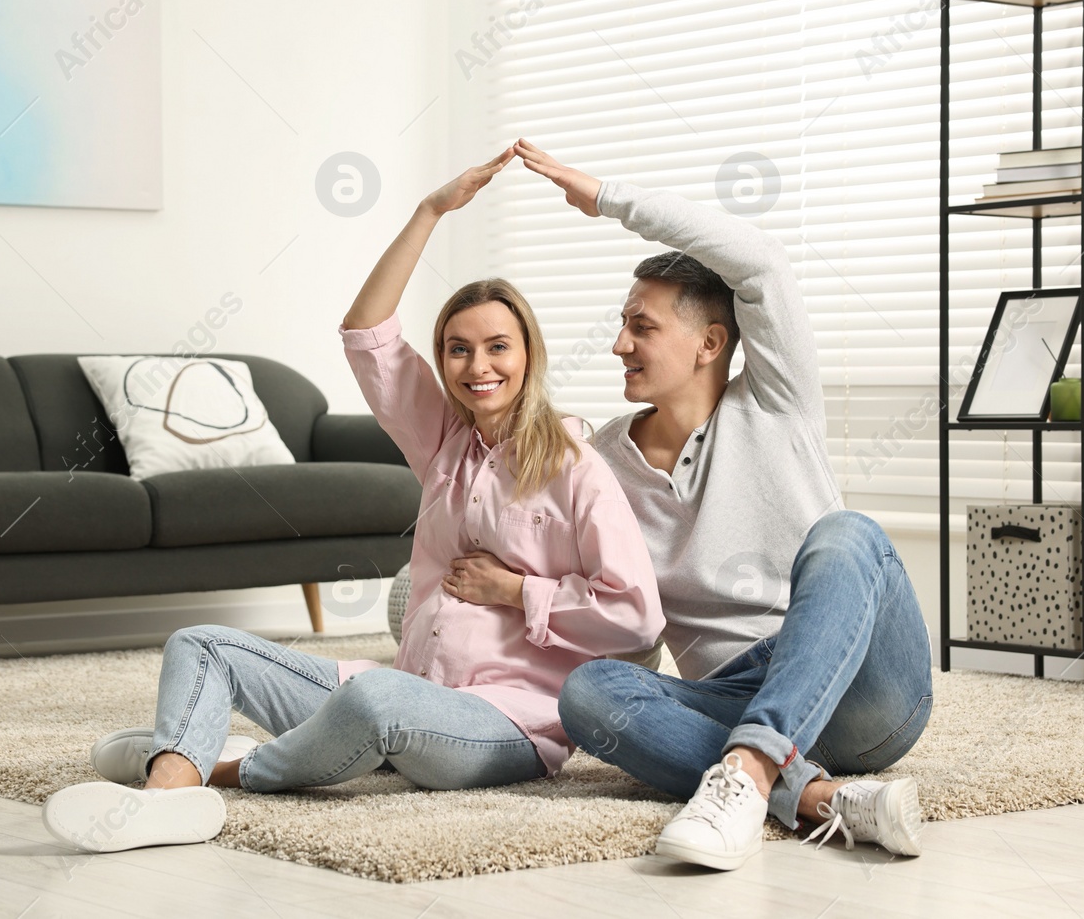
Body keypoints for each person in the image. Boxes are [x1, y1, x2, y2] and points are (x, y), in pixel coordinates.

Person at [42, 145, 663, 853]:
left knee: (373, 703)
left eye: (498, 346)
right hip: (412, 680)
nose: (478, 366)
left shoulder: (575, 464)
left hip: (508, 723)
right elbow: (367, 333)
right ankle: (169, 793)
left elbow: (637, 616)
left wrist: (517, 589)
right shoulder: (444, 442)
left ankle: (217, 764)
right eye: (457, 349)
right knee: (203, 644)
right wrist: (430, 210)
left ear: (529, 355)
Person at [514, 138, 934, 872]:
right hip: (731, 694)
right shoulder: (600, 463)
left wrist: (609, 196)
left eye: (641, 326)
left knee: (847, 534)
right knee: (589, 692)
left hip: (862, 690)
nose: (618, 344)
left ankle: (744, 774)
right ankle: (815, 797)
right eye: (622, 324)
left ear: (710, 342)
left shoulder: (777, 399)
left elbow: (760, 260)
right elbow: (606, 608)